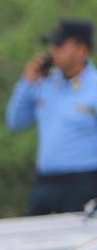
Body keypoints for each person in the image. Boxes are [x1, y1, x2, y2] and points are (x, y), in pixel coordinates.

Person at [6, 18, 97, 214]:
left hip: (83, 183)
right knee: (33, 239)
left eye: (60, 45)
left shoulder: (94, 87)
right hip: (44, 182)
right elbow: (15, 121)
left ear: (81, 50)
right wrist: (27, 82)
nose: (53, 50)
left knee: (78, 242)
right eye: (52, 45)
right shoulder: (45, 83)